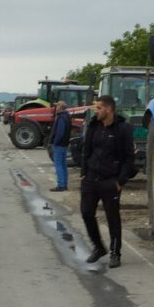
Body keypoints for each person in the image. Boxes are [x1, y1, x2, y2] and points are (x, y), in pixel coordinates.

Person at [81, 95, 134, 269]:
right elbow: (86, 150)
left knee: (112, 218)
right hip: (91, 179)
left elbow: (128, 157)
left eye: (99, 108)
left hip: (110, 181)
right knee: (86, 213)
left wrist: (120, 181)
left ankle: (115, 253)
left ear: (109, 109)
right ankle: (98, 247)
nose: (96, 111)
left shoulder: (122, 129)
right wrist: (83, 174)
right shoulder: (93, 126)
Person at [49, 101, 71, 192]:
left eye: (57, 105)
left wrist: (55, 142)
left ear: (61, 107)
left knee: (58, 165)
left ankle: (61, 185)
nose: (56, 107)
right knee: (63, 165)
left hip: (59, 145)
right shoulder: (67, 116)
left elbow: (60, 133)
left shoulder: (61, 117)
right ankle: (64, 184)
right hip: (65, 144)